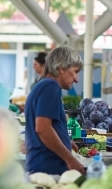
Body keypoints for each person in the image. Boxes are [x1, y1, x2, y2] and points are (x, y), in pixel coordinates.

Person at [24, 46, 85, 175]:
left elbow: (46, 125)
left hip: (40, 166)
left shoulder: (42, 86)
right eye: (75, 71)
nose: (76, 79)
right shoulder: (50, 87)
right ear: (61, 68)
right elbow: (42, 128)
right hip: (47, 168)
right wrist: (71, 160)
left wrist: (65, 141)